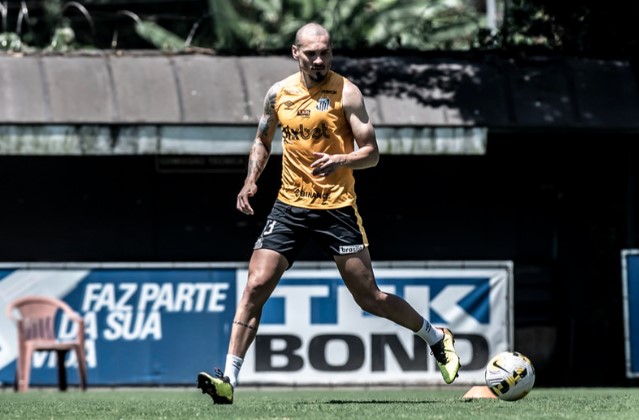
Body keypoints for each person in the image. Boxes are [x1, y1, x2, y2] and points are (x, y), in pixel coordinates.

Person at [197, 22, 460, 404]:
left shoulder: (347, 93)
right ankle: (229, 381)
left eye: (325, 52)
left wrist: (342, 158)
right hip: (289, 207)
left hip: (336, 208)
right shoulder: (278, 94)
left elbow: (372, 153)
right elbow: (262, 138)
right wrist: (251, 179)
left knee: (369, 298)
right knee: (255, 286)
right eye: (311, 53)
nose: (319, 59)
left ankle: (436, 338)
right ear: (295, 53)